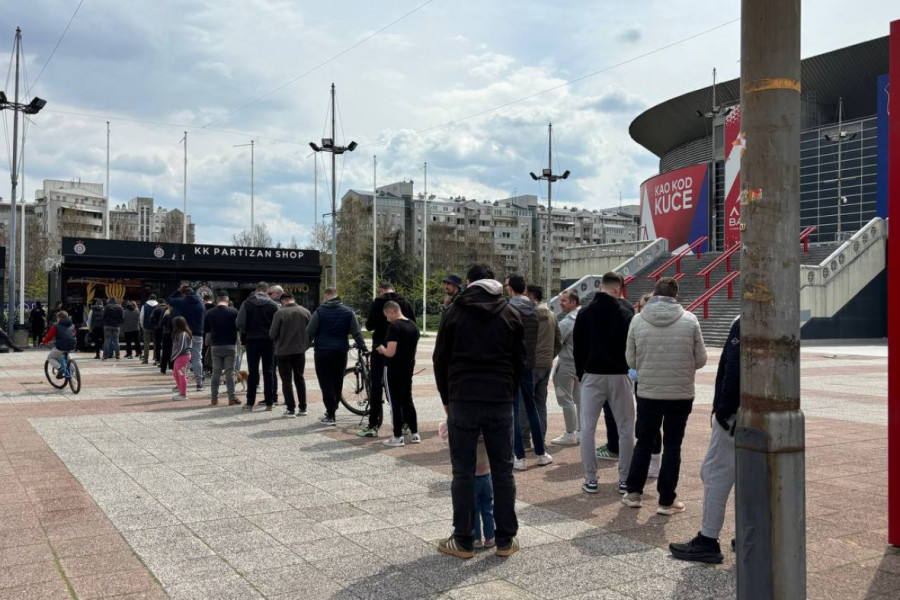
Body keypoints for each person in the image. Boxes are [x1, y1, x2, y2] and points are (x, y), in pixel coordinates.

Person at [433, 263, 524, 560]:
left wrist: (448, 399)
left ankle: (463, 540)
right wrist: (508, 393)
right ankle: (506, 540)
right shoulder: (511, 313)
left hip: (463, 397)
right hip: (499, 399)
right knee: (502, 471)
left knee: (463, 472)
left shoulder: (454, 312)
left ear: (469, 282)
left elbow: (440, 359)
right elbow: (520, 361)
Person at [622, 277, 708, 515]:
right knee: (672, 446)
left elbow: (630, 361)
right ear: (675, 296)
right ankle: (666, 501)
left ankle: (633, 493)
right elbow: (700, 359)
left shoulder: (637, 321)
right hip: (680, 394)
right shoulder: (690, 321)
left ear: (654, 294)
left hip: (648, 392)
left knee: (644, 441)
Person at [670, 317, 740, 563]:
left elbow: (733, 370)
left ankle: (708, 539)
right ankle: (752, 534)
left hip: (735, 416)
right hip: (762, 415)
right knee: (753, 477)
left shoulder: (745, 321)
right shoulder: (777, 318)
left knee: (714, 473)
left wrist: (723, 411)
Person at [573, 272, 635, 495]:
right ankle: (625, 479)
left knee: (588, 428)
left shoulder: (585, 312)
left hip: (592, 374)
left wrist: (582, 373)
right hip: (620, 374)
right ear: (618, 289)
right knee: (626, 428)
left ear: (601, 286)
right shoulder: (627, 311)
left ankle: (591, 479)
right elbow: (632, 346)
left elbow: (578, 346)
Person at [504, 275, 552, 471]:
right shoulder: (534, 309)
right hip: (529, 364)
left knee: (515, 410)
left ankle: (520, 456)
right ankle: (541, 453)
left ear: (510, 289)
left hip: (512, 365)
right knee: (531, 407)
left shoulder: (507, 309)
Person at [359, 283, 416, 438]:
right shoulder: (405, 302)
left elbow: (369, 326)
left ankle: (373, 425)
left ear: (381, 291)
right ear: (394, 289)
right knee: (403, 390)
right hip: (402, 353)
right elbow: (412, 324)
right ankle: (405, 424)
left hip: (381, 348)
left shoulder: (377, 303)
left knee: (377, 386)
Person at [306, 288, 367, 426]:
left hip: (323, 351)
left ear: (326, 297)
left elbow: (309, 331)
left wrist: (308, 344)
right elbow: (356, 332)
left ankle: (330, 413)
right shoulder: (348, 311)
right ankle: (334, 407)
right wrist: (363, 347)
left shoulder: (319, 311)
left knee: (325, 382)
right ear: (337, 296)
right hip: (340, 351)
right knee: (338, 380)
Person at [438, 420, 494, 550]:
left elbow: (444, 432)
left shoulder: (464, 429)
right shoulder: (487, 429)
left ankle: (476, 539)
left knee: (473, 510)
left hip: (470, 477)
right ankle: (490, 537)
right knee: (488, 509)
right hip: (486, 475)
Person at [377, 301, 421, 447]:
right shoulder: (414, 326)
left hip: (393, 368)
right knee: (408, 399)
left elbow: (391, 352)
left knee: (394, 402)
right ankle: (415, 433)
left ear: (391, 311)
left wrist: (382, 349)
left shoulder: (394, 327)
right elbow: (414, 350)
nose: (387, 319)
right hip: (408, 367)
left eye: (386, 315)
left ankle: (397, 436)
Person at [521, 284, 560, 448]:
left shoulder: (528, 314)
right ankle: (540, 440)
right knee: (540, 403)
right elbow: (559, 341)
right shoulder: (552, 315)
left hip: (531, 364)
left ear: (530, 295)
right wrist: (549, 357)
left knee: (524, 404)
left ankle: (524, 440)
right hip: (546, 364)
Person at [236, 282, 280, 411]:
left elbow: (239, 322)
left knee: (253, 371)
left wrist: (246, 332)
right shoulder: (273, 305)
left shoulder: (247, 304)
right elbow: (279, 323)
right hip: (269, 341)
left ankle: (250, 402)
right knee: (269, 371)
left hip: (252, 340)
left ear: (256, 290)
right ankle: (270, 402)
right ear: (266, 291)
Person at [269, 291, 311, 417]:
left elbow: (272, 333)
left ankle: (291, 409)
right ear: (293, 299)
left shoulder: (280, 313)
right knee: (300, 378)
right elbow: (312, 331)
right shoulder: (305, 312)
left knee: (286, 381)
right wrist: (305, 345)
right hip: (299, 351)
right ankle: (303, 408)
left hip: (283, 351)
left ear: (283, 301)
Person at [550, 289, 580, 446]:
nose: (560, 303)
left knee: (565, 399)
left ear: (573, 302)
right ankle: (580, 432)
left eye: (564, 301)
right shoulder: (584, 317)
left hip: (567, 364)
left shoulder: (568, 321)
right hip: (581, 365)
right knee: (579, 400)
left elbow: (556, 341)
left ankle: (570, 433)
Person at [204, 291, 240, 406]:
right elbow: (239, 327)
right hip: (230, 344)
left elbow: (206, 329)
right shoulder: (234, 311)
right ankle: (231, 398)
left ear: (216, 300)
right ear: (227, 300)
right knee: (230, 372)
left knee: (216, 372)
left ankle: (214, 399)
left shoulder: (209, 313)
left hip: (215, 345)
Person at [168, 285, 207, 391]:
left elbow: (169, 300)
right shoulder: (201, 304)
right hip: (198, 333)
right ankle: (199, 383)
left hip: (184, 333)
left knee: (181, 358)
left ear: (184, 294)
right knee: (197, 358)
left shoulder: (182, 301)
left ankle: (180, 383)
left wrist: (177, 291)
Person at [41, 311, 76, 376]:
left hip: (61, 345)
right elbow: (74, 333)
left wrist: (44, 342)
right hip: (72, 344)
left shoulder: (56, 326)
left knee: (50, 357)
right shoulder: (72, 325)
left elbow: (49, 336)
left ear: (59, 318)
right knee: (67, 354)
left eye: (57, 318)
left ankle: (60, 368)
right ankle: (73, 369)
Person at [170, 316, 193, 402]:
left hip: (182, 356)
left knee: (181, 375)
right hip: (180, 356)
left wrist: (174, 356)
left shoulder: (183, 333)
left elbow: (181, 346)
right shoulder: (181, 332)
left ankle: (183, 394)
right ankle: (181, 392)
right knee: (175, 374)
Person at [140, 295, 158, 364]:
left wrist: (142, 325)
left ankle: (145, 359)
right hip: (155, 327)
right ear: (155, 298)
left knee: (146, 343)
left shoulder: (144, 306)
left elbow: (142, 316)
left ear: (149, 298)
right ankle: (155, 357)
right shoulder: (158, 306)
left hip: (146, 326)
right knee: (156, 343)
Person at [150, 299, 166, 365]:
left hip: (157, 328)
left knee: (157, 345)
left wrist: (155, 323)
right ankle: (165, 360)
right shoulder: (167, 309)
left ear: (158, 303)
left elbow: (151, 319)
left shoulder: (156, 309)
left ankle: (157, 359)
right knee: (165, 345)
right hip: (166, 329)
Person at [159, 305, 174, 375]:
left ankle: (163, 368)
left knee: (165, 351)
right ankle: (172, 366)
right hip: (173, 335)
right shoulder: (176, 316)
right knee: (173, 351)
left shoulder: (167, 315)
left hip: (166, 334)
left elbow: (160, 324)